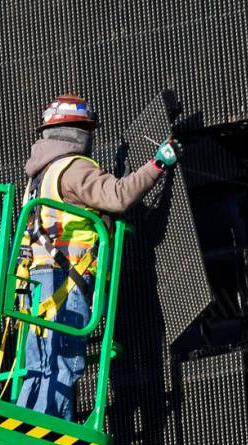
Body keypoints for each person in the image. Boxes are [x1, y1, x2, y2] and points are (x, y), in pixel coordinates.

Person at [16, 94, 182, 420]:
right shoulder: (73, 167)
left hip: (35, 282)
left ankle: (23, 429)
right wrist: (158, 164)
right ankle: (52, 441)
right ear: (78, 130)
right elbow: (118, 196)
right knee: (62, 362)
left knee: (38, 365)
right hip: (63, 280)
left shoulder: (39, 176)